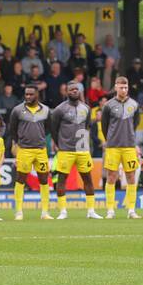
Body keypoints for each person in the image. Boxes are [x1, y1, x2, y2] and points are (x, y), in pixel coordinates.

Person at [50, 81, 101, 220]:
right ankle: (63, 211)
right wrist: (60, 143)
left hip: (82, 149)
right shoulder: (60, 109)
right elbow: (53, 129)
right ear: (67, 92)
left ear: (79, 91)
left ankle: (91, 211)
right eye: (71, 89)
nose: (74, 91)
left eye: (76, 89)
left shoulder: (86, 108)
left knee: (87, 179)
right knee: (62, 179)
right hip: (66, 149)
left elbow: (87, 126)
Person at [8, 84, 55, 221]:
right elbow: (13, 130)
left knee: (44, 179)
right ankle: (18, 212)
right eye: (26, 94)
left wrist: (38, 137)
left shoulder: (46, 110)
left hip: (41, 150)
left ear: (37, 95)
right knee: (21, 179)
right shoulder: (17, 110)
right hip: (24, 150)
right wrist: (19, 142)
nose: (28, 96)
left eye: (31, 94)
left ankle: (45, 212)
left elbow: (48, 128)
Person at [100, 76, 141, 219]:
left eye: (125, 87)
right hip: (113, 147)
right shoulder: (108, 105)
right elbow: (104, 126)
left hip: (129, 146)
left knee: (131, 176)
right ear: (115, 87)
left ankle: (131, 210)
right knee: (111, 177)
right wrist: (110, 139)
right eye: (121, 87)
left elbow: (135, 123)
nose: (123, 89)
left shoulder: (134, 104)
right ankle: (110, 210)